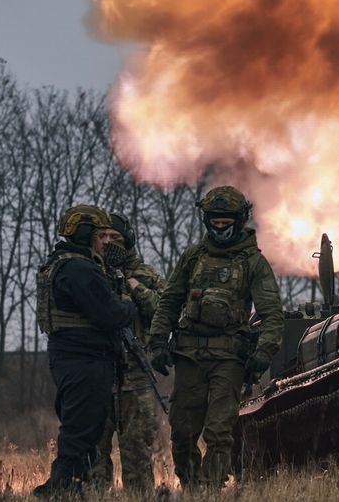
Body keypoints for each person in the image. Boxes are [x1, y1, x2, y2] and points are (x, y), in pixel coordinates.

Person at [146, 185, 284, 488]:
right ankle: (193, 487)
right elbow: (169, 300)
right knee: (181, 433)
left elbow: (273, 313)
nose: (220, 226)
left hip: (230, 359)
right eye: (215, 220)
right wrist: (157, 341)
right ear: (207, 220)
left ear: (239, 220)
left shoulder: (253, 262)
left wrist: (264, 352)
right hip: (189, 357)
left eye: (226, 221)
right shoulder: (193, 257)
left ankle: (209, 490)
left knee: (219, 432)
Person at [34, 204, 137, 497]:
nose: (107, 242)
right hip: (84, 360)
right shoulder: (79, 268)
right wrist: (129, 304)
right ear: (84, 234)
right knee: (80, 430)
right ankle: (58, 490)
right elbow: (111, 314)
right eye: (102, 235)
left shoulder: (66, 263)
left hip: (77, 358)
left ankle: (77, 489)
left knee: (86, 429)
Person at [90, 213, 164, 491]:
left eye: (116, 238)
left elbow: (164, 309)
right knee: (95, 451)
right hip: (98, 373)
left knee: (137, 449)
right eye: (103, 237)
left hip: (135, 375)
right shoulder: (89, 274)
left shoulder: (145, 275)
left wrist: (135, 286)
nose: (109, 243)